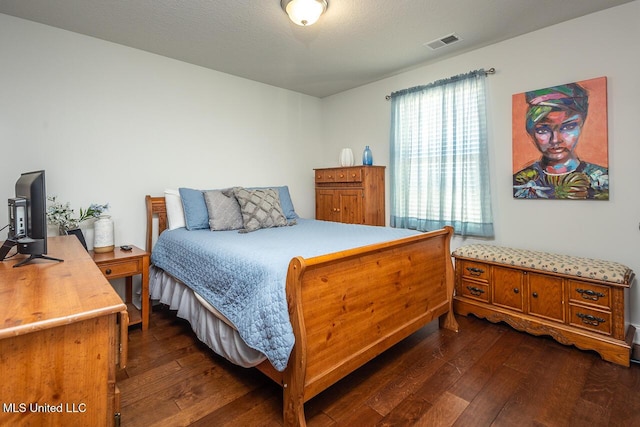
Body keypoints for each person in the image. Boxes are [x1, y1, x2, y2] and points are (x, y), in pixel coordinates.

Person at [513, 83, 608, 199]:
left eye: (568, 127)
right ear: (531, 132)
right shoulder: (517, 182)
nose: (555, 140)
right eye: (543, 129)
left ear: (581, 125)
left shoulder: (604, 180)